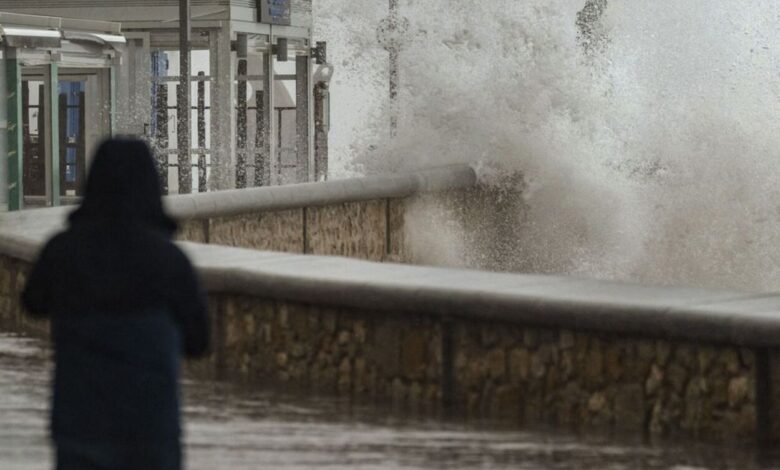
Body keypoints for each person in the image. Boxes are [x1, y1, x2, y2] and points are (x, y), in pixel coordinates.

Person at [22, 138, 210, 470]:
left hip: (80, 425)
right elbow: (199, 342)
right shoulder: (169, 262)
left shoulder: (64, 252)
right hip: (151, 432)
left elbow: (33, 303)